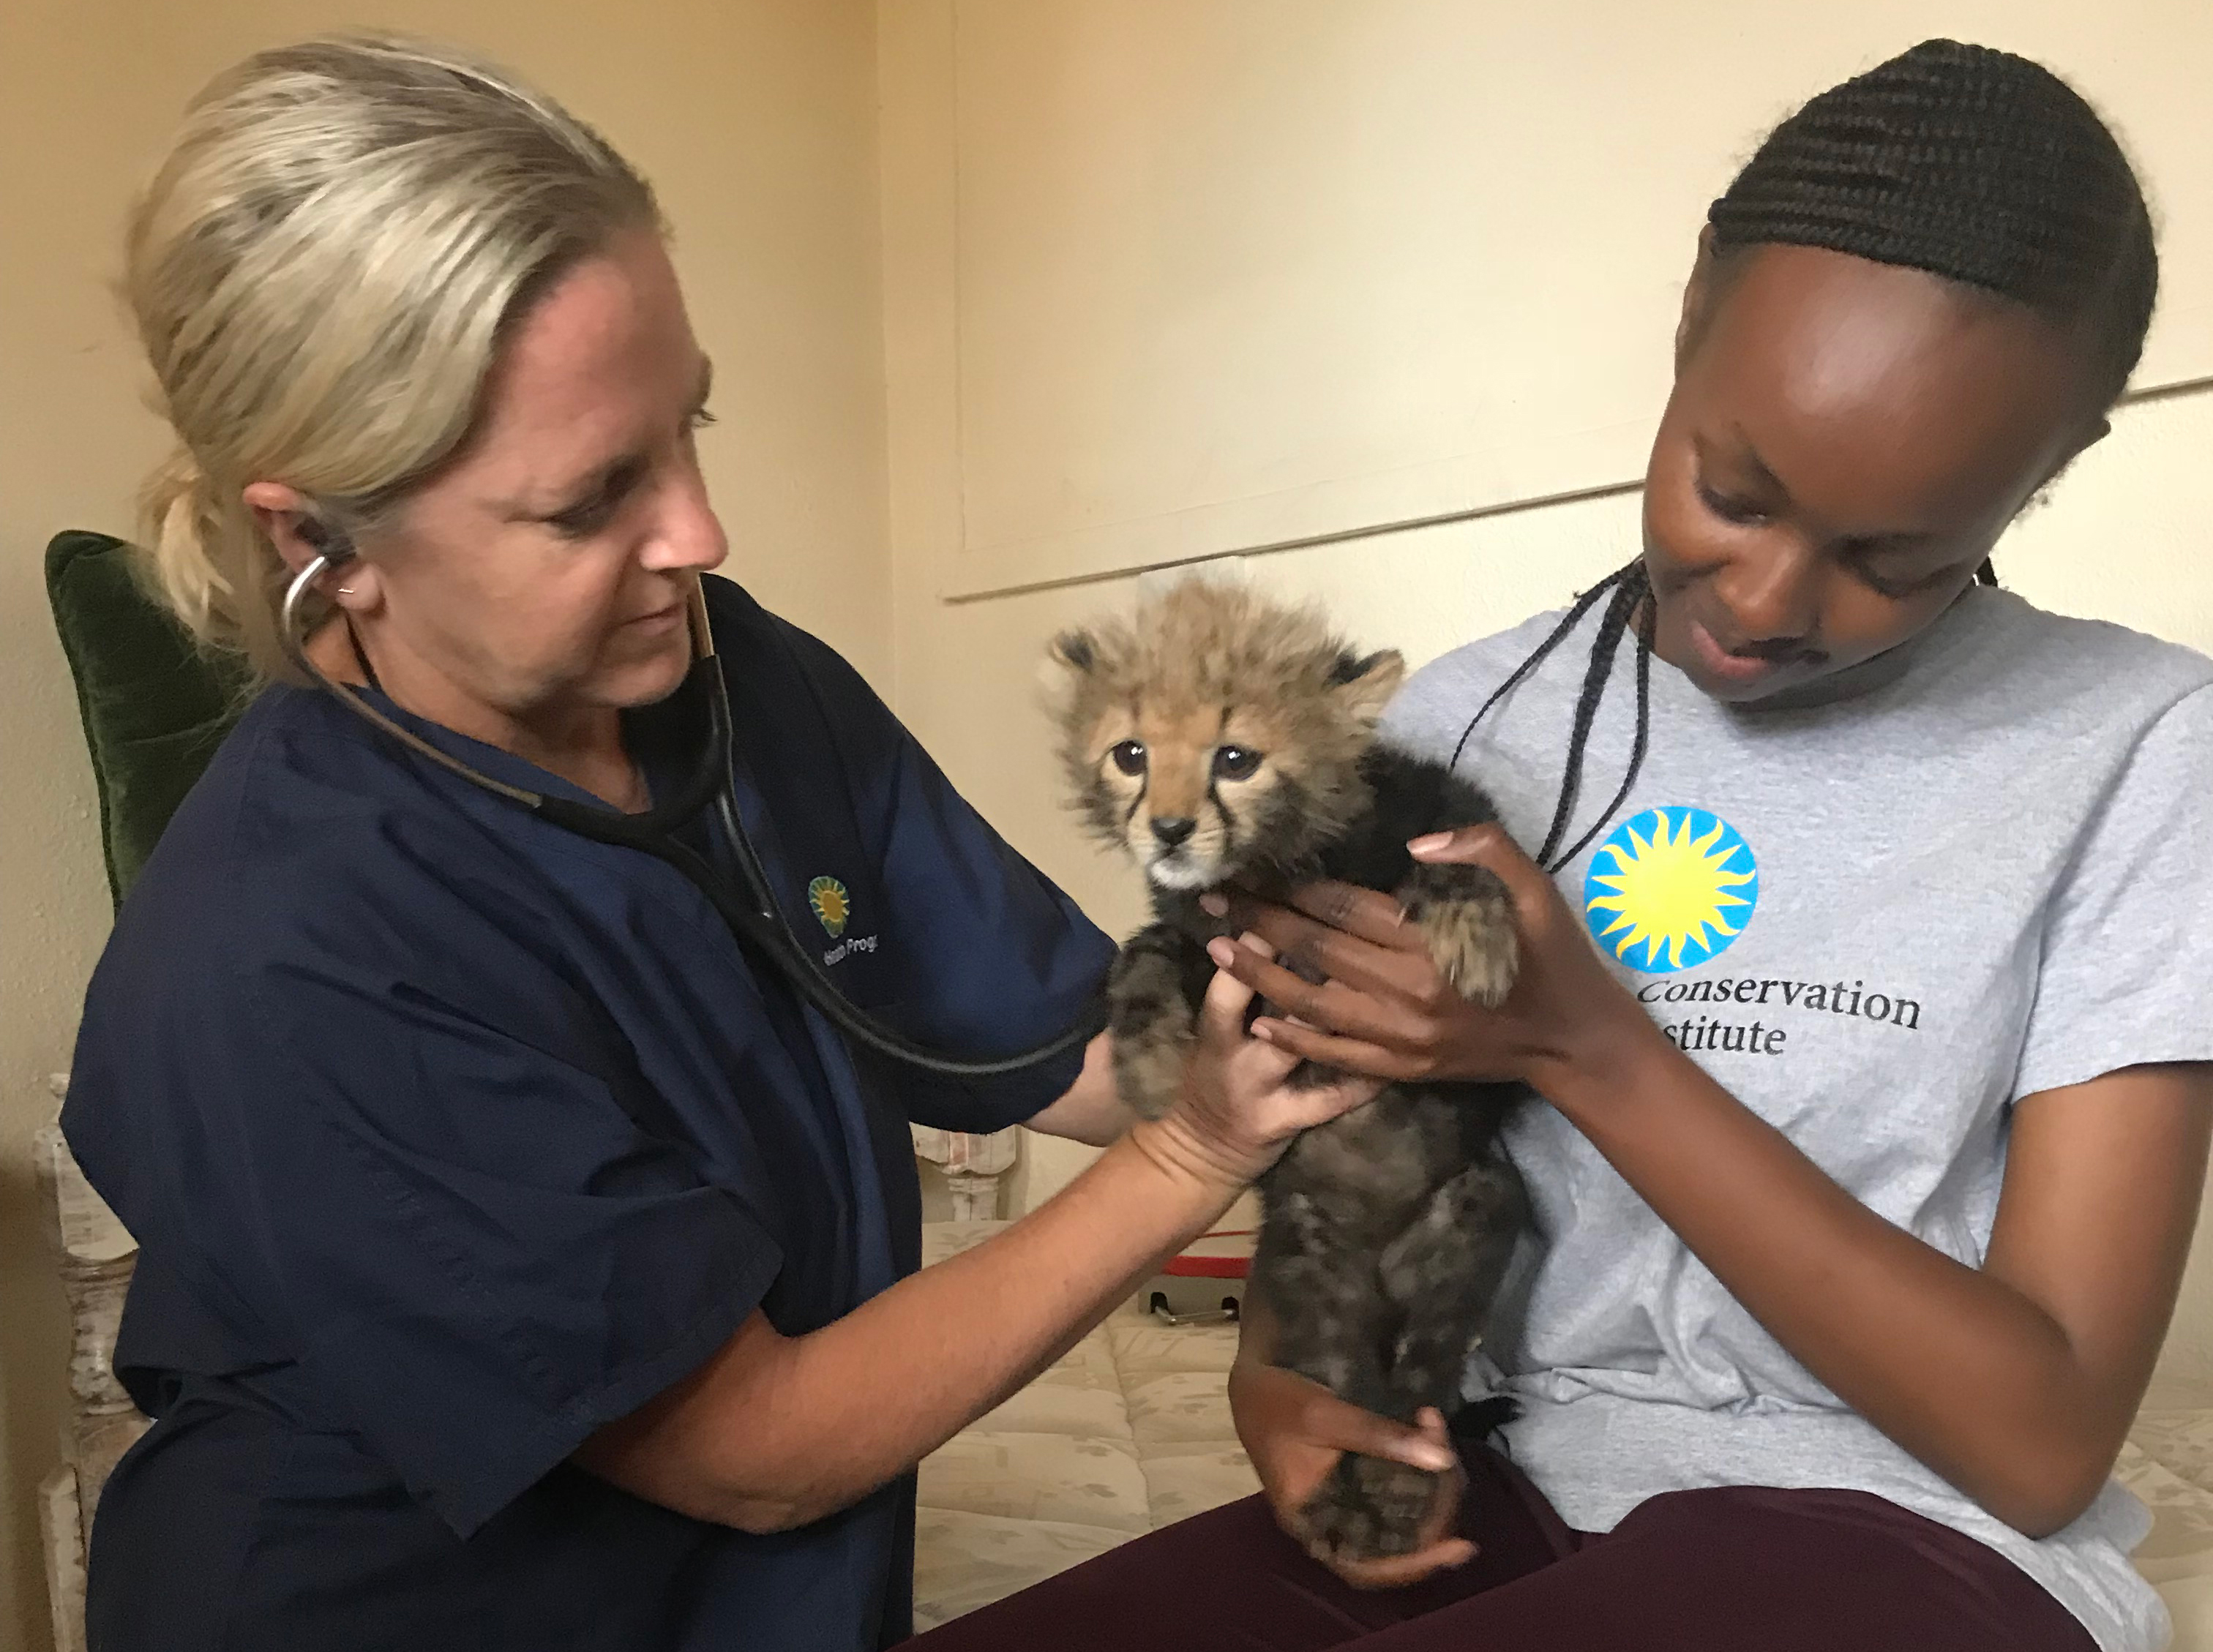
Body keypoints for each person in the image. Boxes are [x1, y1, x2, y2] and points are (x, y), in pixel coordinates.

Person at [59, 34, 1376, 1652]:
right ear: (319, 538)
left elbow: (1068, 1047)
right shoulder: (281, 957)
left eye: (690, 427)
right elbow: (760, 1453)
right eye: (590, 495)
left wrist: (1319, 1002)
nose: (698, 532)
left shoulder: (737, 679)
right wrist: (1198, 1159)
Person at [905, 39, 2213, 1652]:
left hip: (1913, 1533)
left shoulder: (2141, 749)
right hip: (1513, 1475)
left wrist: (1585, 1042)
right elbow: (1329, 1126)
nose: (1764, 602)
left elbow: (2041, 1437)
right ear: (1685, 328)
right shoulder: (1471, 722)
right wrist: (1281, 1386)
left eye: (1897, 556)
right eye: (1732, 490)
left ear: (2052, 469)